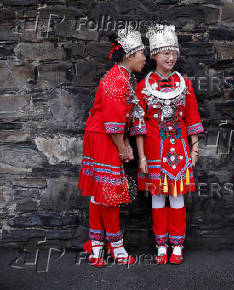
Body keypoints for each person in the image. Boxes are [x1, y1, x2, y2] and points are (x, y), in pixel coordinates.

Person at [131, 24, 204, 265]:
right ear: (154, 55)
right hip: (153, 150)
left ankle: (177, 245)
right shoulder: (142, 87)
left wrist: (194, 148)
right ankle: (161, 246)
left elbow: (192, 118)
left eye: (174, 52)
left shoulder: (186, 85)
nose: (171, 57)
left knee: (177, 198)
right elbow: (138, 126)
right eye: (165, 53)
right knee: (157, 198)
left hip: (180, 151)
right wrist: (141, 157)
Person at [78, 28, 146, 267]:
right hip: (104, 137)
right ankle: (115, 246)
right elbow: (113, 123)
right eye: (141, 54)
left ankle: (97, 245)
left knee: (101, 193)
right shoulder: (116, 80)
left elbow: (121, 119)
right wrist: (123, 148)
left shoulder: (124, 77)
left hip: (103, 135)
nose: (144, 59)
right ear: (129, 56)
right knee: (109, 195)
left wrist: (124, 142)